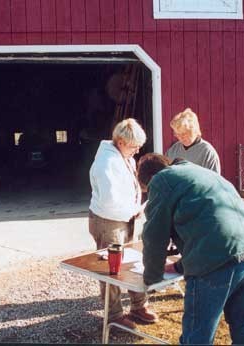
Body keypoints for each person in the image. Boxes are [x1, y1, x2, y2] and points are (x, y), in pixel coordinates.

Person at [138, 154, 244, 345]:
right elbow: (210, 225)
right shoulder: (203, 174)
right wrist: (178, 267)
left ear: (150, 179)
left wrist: (152, 279)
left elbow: (154, 235)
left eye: (147, 191)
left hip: (215, 263)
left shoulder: (161, 180)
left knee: (197, 338)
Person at [88, 118, 158, 329]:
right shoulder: (106, 163)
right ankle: (114, 314)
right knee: (112, 268)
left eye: (138, 146)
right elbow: (110, 201)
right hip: (109, 221)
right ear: (120, 141)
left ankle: (138, 305)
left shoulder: (123, 156)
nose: (136, 151)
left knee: (134, 262)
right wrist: (135, 210)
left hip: (125, 218)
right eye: (133, 146)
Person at [166, 108, 221, 174]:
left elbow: (213, 181)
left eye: (184, 133)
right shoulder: (173, 151)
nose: (181, 138)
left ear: (194, 130)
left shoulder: (207, 152)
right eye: (178, 134)